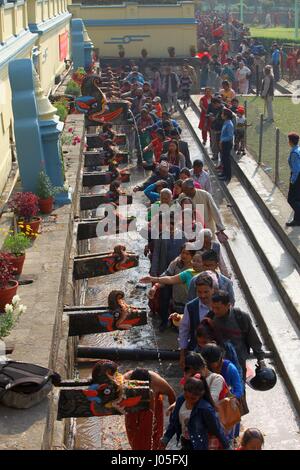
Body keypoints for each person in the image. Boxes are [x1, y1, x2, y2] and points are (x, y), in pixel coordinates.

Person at [207, 291, 266, 380]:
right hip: (217, 365)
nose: (215, 311)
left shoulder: (241, 317)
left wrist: (260, 359)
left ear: (228, 305)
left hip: (238, 363)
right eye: (213, 307)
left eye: (218, 308)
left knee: (239, 389)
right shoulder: (210, 317)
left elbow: (253, 339)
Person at [160, 377, 230, 450]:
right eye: (186, 396)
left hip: (199, 444)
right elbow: (174, 422)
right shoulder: (181, 400)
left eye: (193, 398)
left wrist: (226, 447)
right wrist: (165, 439)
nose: (189, 400)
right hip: (185, 442)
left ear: (201, 395)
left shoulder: (205, 409)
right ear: (184, 391)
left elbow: (216, 428)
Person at [124, 368, 176, 450]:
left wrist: (174, 416)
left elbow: (171, 394)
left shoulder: (158, 382)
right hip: (133, 406)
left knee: (156, 435)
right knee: (133, 435)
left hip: (155, 406)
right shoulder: (125, 380)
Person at [286, 132, 300, 227]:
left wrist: (293, 180)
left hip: (297, 177)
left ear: (291, 141)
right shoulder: (298, 149)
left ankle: (298, 219)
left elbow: (296, 169)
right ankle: (297, 220)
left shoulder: (294, 152)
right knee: (297, 199)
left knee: (291, 199)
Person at [219, 108, 234, 183]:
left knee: (227, 160)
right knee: (223, 159)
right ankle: (223, 173)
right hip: (224, 143)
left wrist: (222, 140)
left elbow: (230, 136)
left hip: (227, 144)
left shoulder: (229, 124)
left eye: (222, 114)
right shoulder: (226, 122)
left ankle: (228, 176)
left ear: (226, 116)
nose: (221, 115)